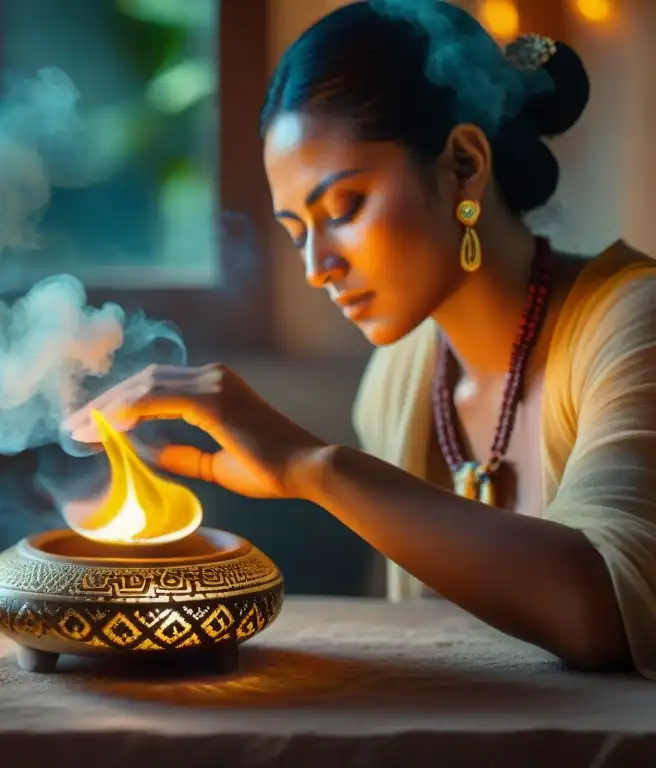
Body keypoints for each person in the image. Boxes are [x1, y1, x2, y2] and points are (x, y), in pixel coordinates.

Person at [68, 1, 656, 676]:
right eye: (296, 232)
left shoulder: (633, 324)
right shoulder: (398, 379)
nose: (319, 266)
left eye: (344, 207)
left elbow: (608, 614)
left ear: (464, 165)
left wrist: (313, 468)